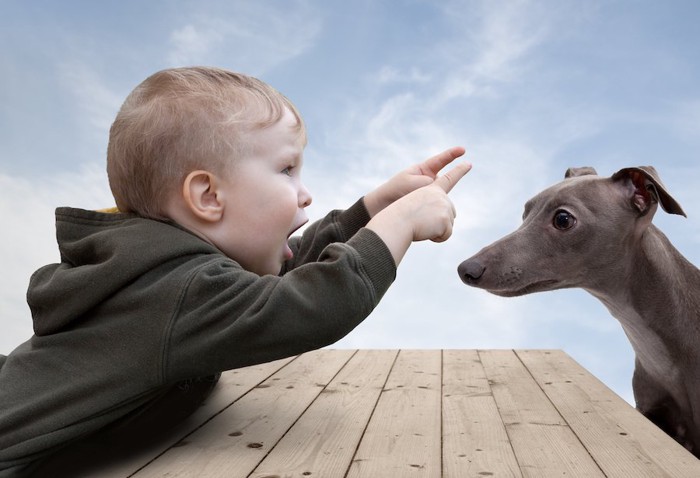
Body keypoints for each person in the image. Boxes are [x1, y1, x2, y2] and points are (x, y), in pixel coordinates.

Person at [0, 66, 471, 476]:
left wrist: (370, 210)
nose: (305, 193)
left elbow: (273, 287)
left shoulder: (165, 274)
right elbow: (309, 305)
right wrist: (401, 223)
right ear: (208, 197)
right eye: (287, 169)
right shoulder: (175, 290)